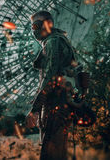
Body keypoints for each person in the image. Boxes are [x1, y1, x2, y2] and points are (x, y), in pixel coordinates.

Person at [25, 10, 84, 160]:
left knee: (51, 153)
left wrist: (35, 109)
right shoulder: (56, 41)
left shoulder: (53, 42)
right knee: (55, 151)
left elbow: (51, 77)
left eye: (36, 26)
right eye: (32, 27)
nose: (34, 30)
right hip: (58, 103)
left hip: (56, 104)